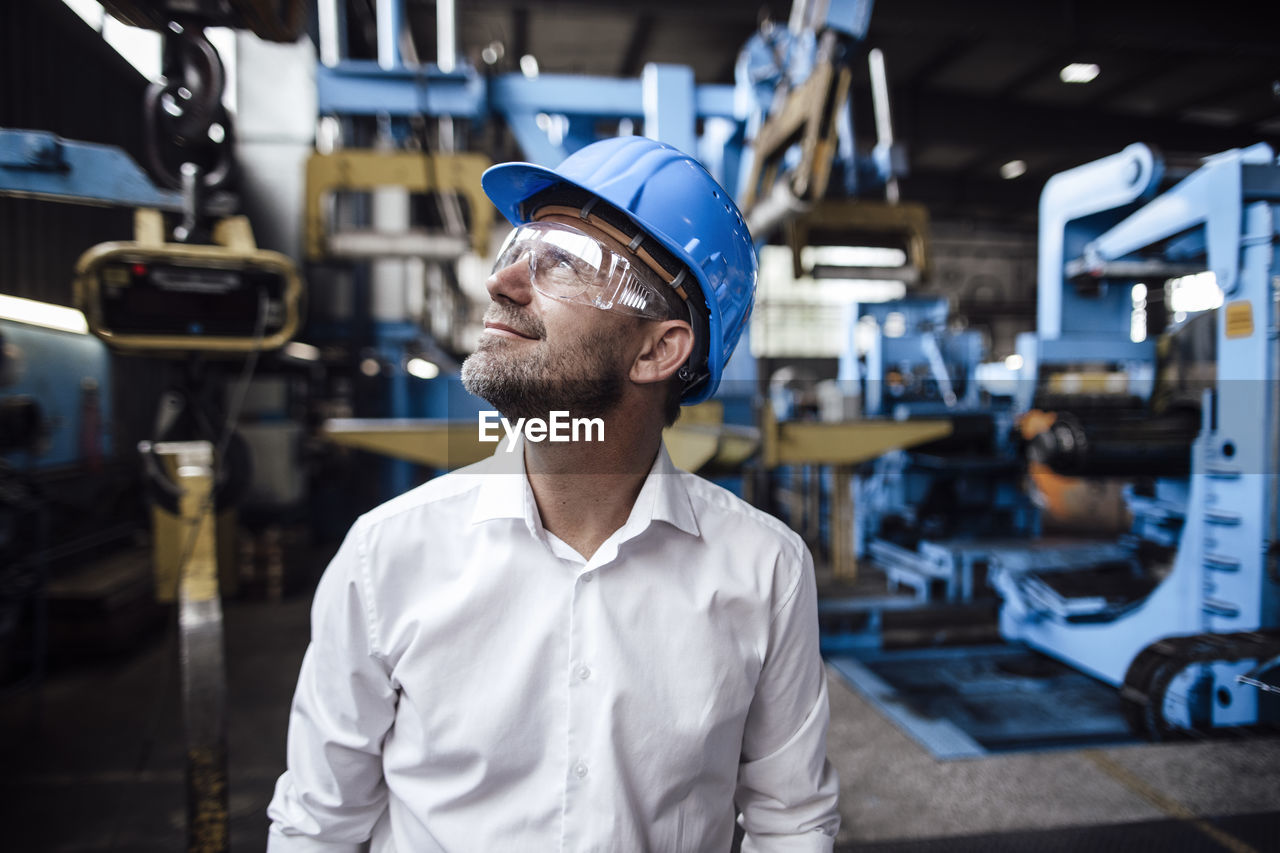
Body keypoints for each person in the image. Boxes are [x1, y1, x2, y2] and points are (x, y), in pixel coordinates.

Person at [266, 137, 840, 852]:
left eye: (562, 262)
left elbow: (791, 821)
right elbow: (317, 827)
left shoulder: (766, 572)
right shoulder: (386, 557)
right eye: (518, 247)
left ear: (658, 349)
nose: (502, 282)